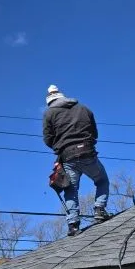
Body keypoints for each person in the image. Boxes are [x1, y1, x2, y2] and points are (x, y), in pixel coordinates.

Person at [42, 85, 111, 236]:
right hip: (87, 152)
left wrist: (59, 147)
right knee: (102, 181)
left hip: (67, 157)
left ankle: (73, 225)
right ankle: (99, 209)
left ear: (50, 101)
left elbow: (48, 139)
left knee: (71, 190)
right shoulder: (84, 109)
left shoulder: (49, 114)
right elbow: (94, 132)